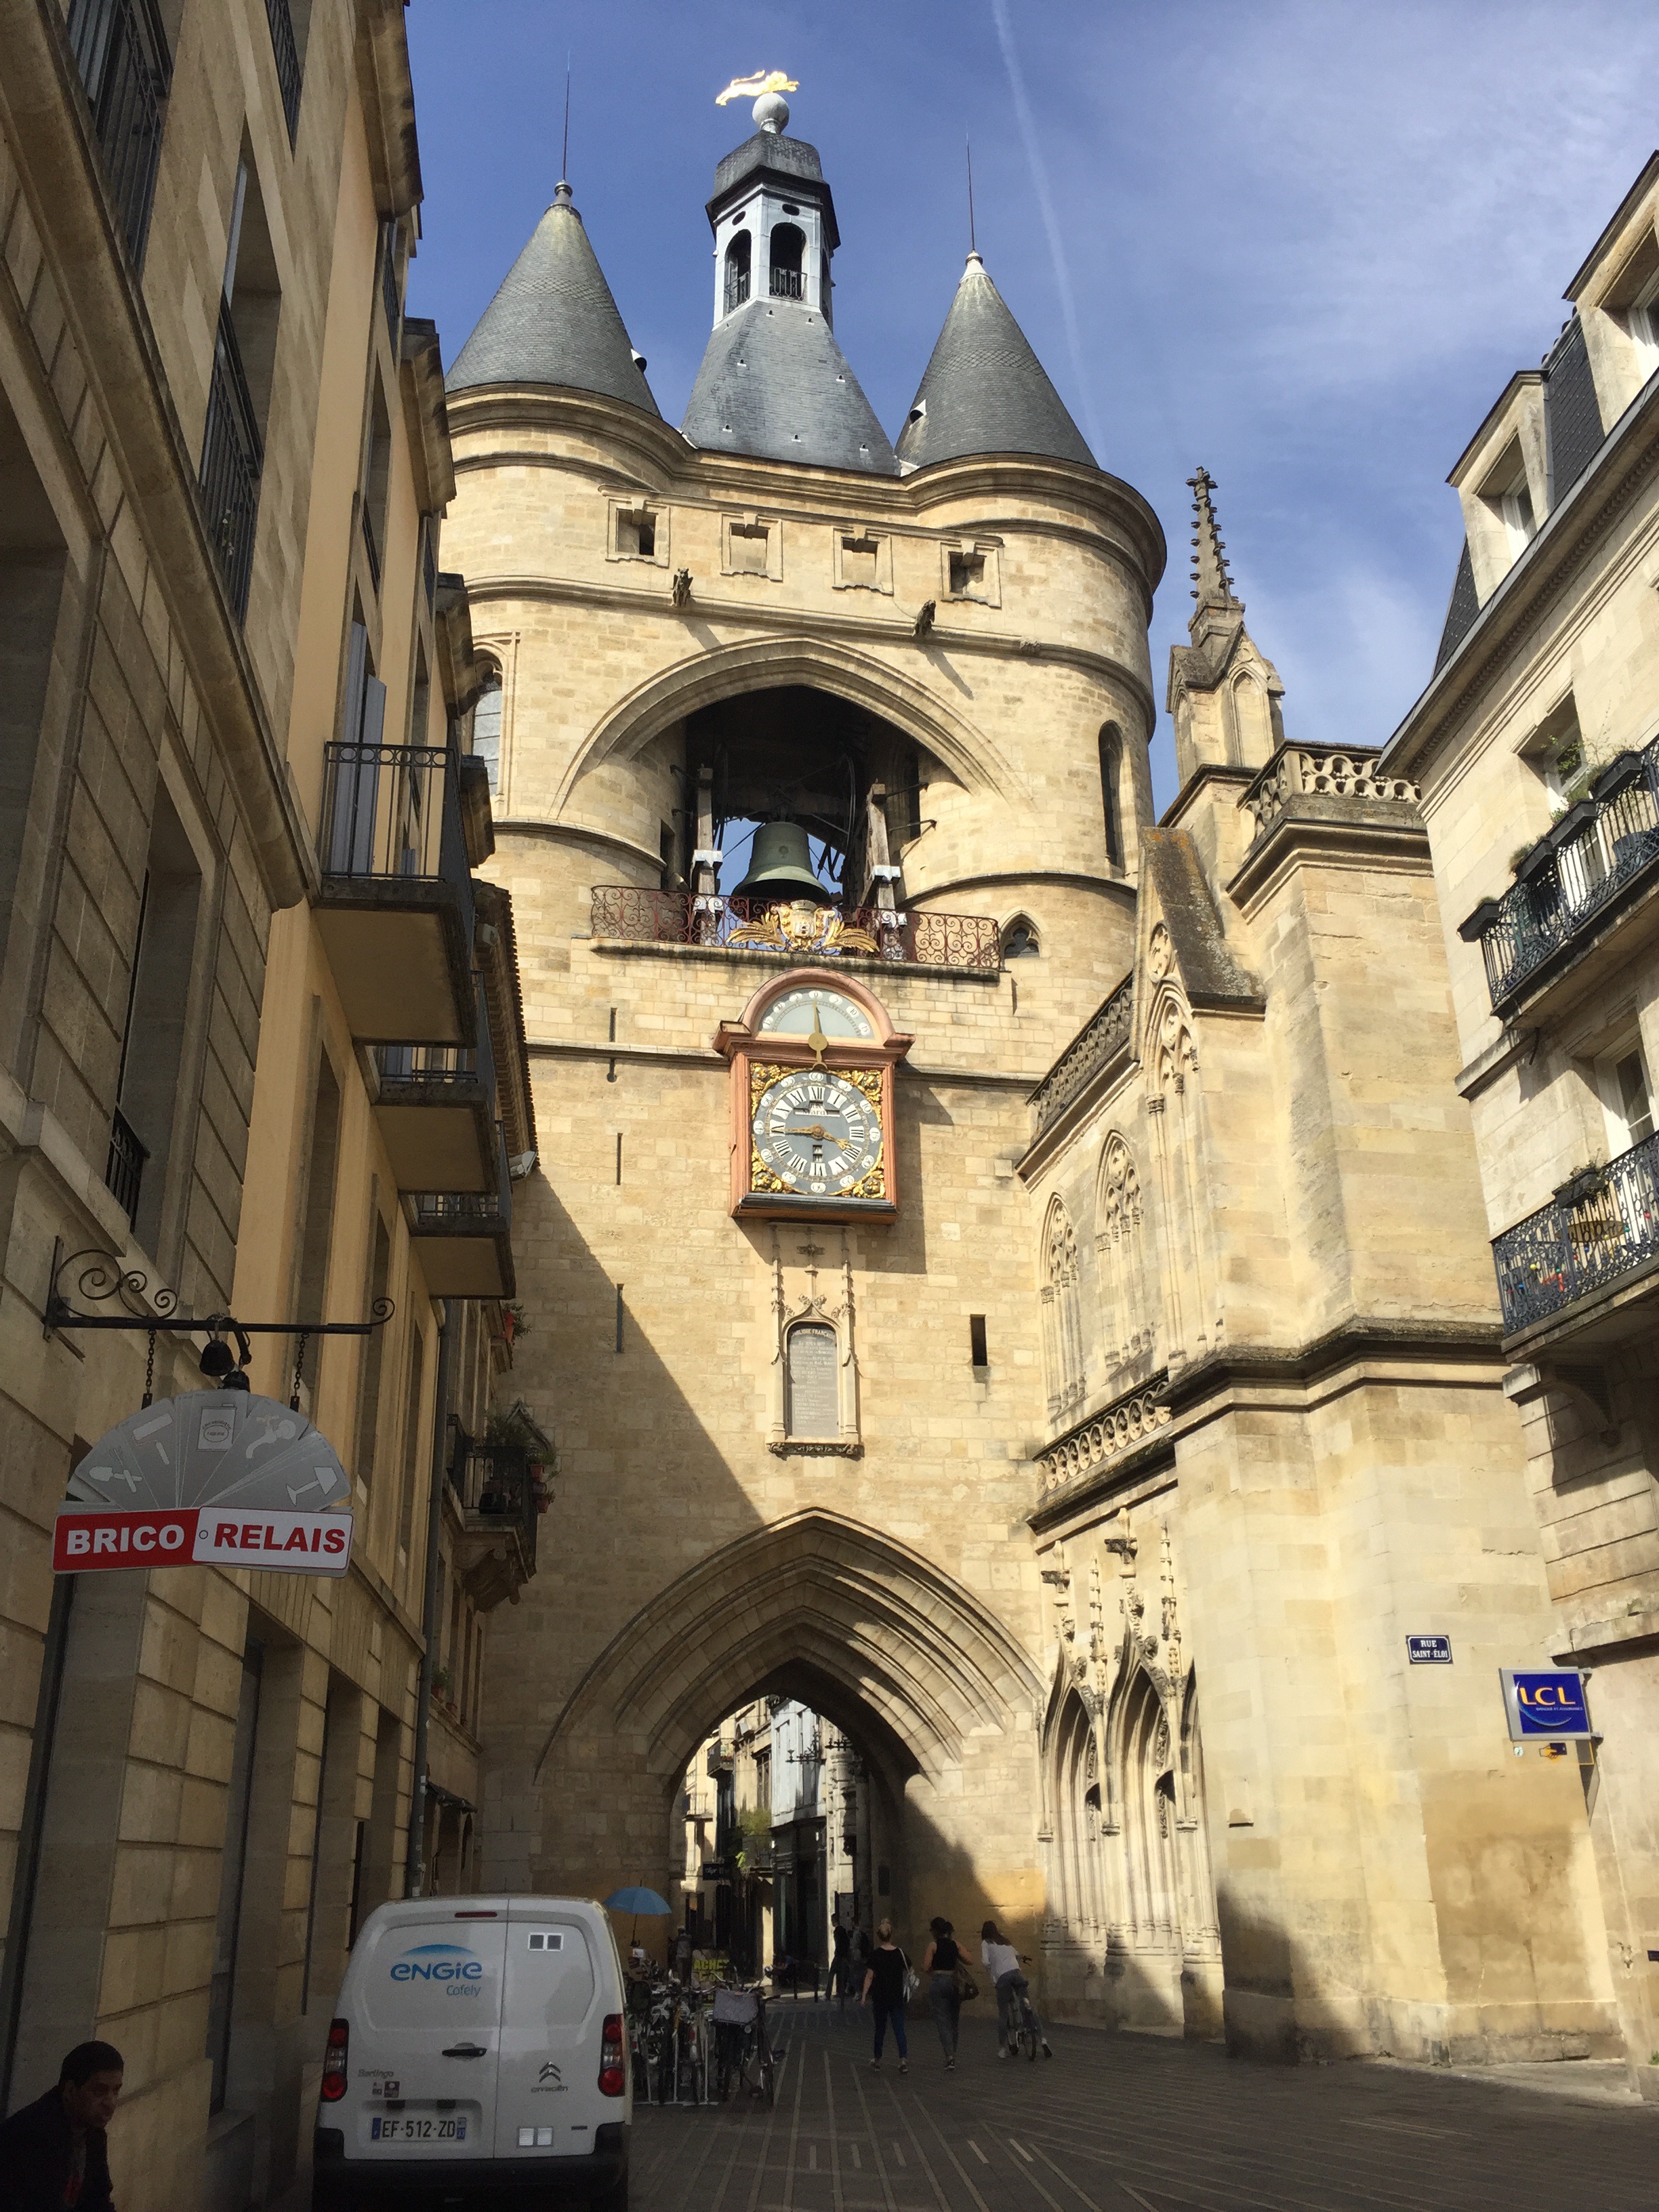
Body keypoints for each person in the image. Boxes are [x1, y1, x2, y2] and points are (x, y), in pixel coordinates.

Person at [0, 2040, 124, 2212]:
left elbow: (98, 2200)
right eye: (99, 2091)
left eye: (116, 2091)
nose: (110, 2103)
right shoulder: (30, 2136)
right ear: (71, 2091)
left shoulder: (93, 2132)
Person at [981, 1919, 1052, 2059]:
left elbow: (985, 1962)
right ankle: (1043, 2039)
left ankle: (1002, 2049)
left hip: (1003, 1979)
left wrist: (994, 1965)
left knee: (1003, 2014)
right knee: (1027, 2006)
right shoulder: (1005, 1941)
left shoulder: (986, 1943)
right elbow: (1017, 1954)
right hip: (1017, 1974)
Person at [859, 1917, 909, 2071]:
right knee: (899, 2028)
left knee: (880, 2029)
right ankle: (903, 2060)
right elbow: (910, 1969)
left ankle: (878, 2059)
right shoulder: (900, 1953)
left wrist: (864, 1995)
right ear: (891, 1935)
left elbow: (869, 1976)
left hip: (880, 1997)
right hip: (896, 1996)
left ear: (879, 1937)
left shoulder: (875, 1955)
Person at [920, 1916, 968, 2069]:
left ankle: (950, 2056)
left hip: (939, 1982)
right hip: (954, 1982)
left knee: (943, 2020)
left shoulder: (933, 1946)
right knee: (954, 2020)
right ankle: (953, 2051)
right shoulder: (955, 1944)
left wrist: (933, 1971)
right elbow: (969, 1959)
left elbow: (925, 1966)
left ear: (934, 1931)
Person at [830, 1918, 852, 2007]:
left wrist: (837, 1952)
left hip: (839, 1955)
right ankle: (840, 1991)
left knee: (832, 1973)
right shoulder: (843, 1930)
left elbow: (839, 1943)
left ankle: (828, 1993)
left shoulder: (838, 1931)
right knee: (841, 1974)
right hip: (843, 1955)